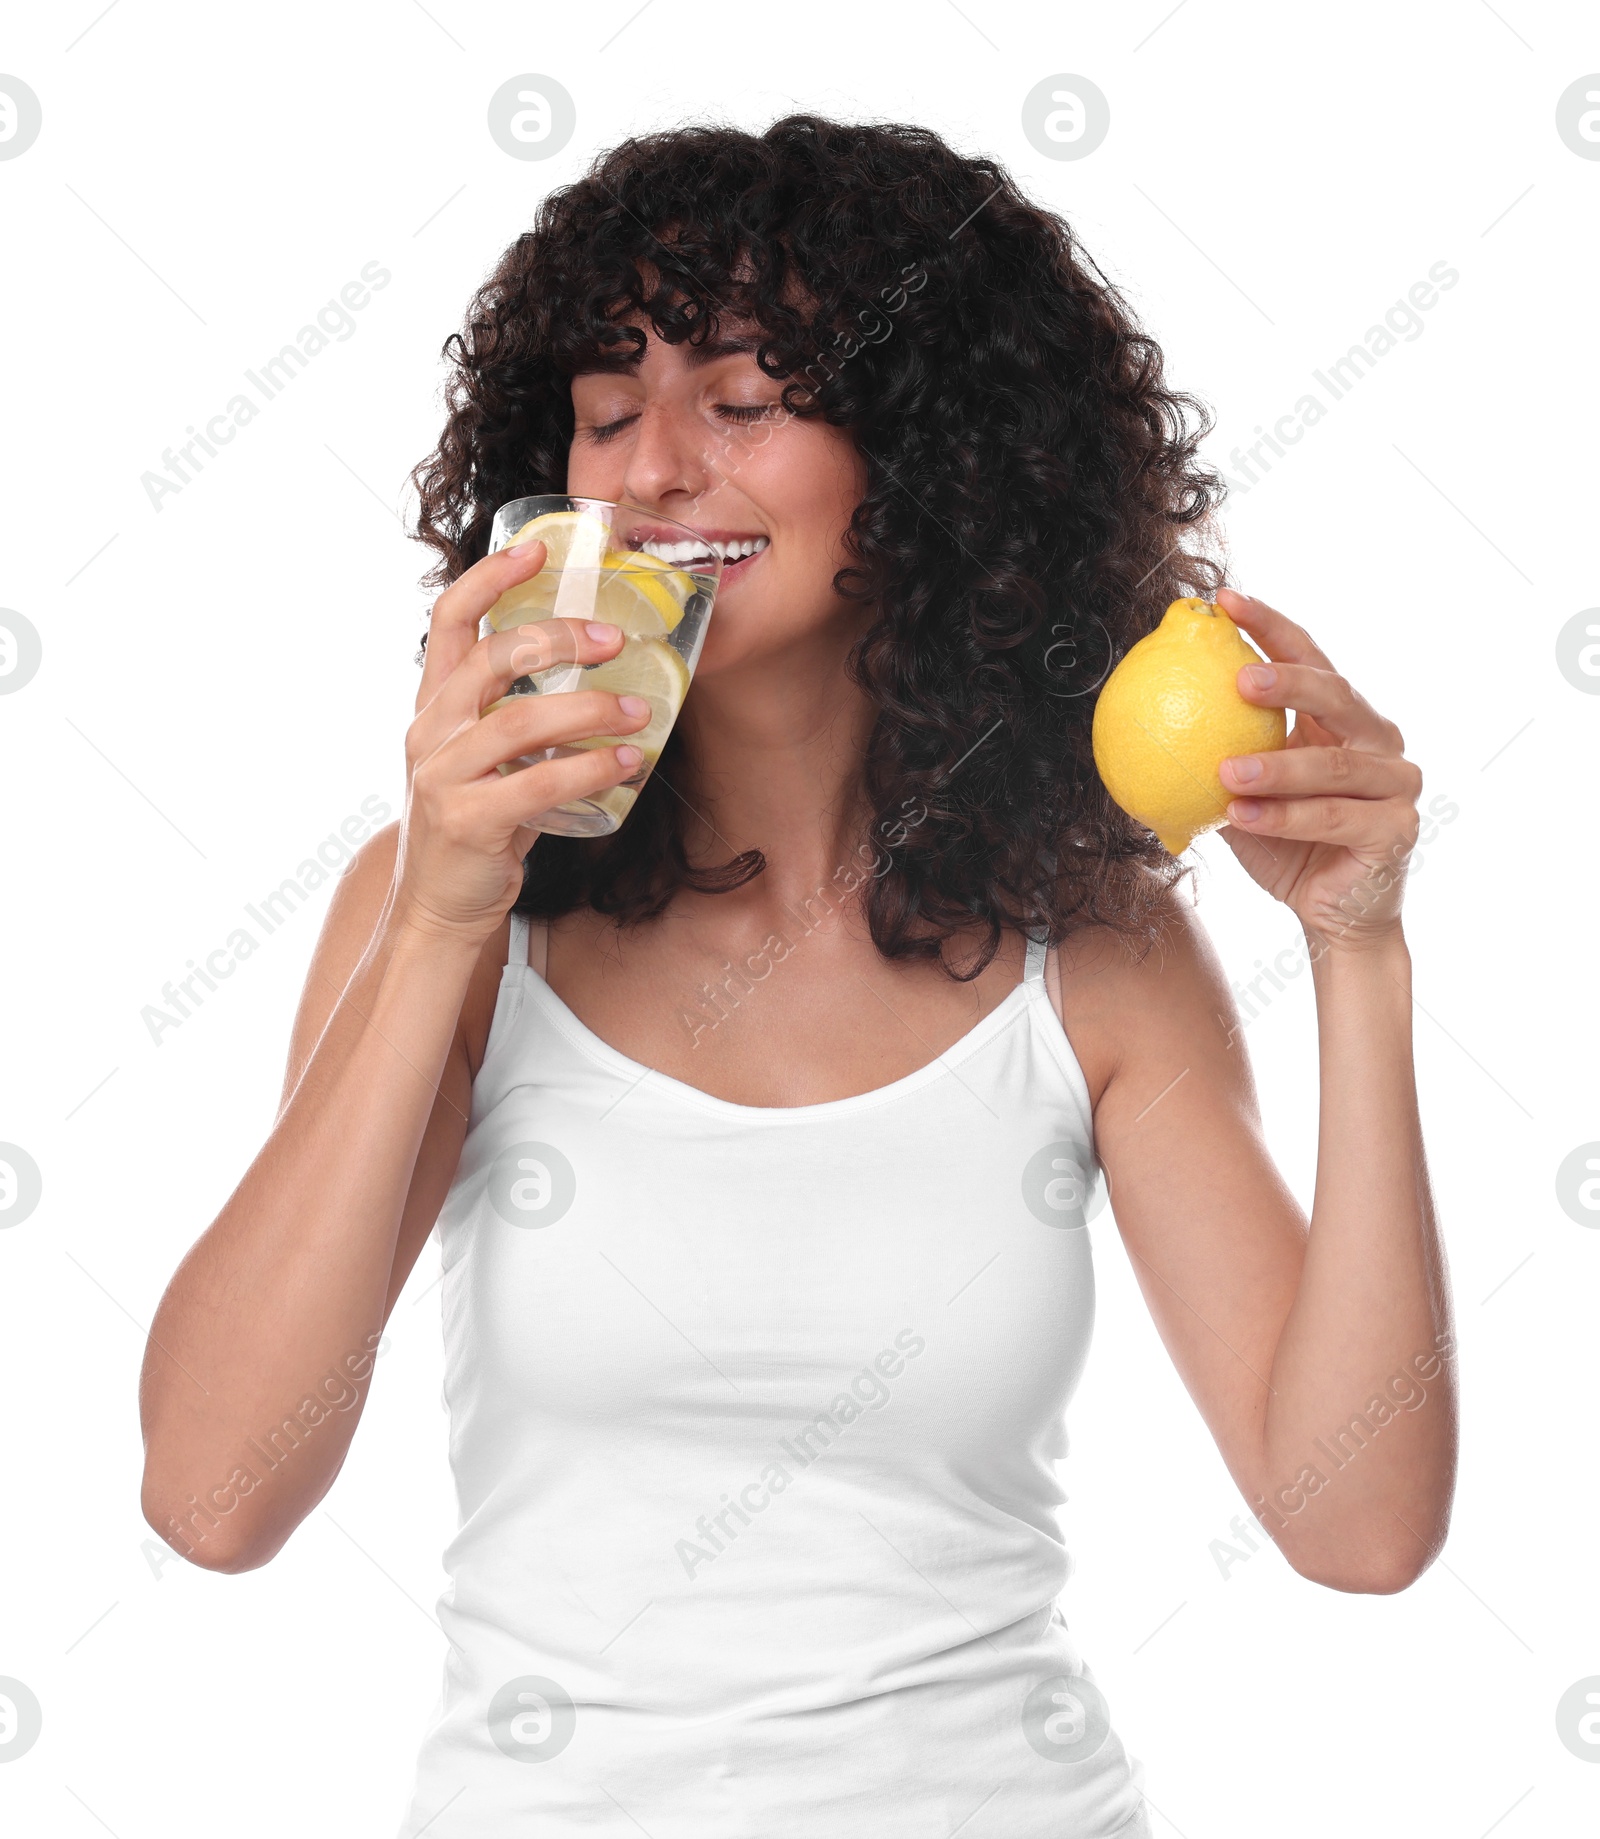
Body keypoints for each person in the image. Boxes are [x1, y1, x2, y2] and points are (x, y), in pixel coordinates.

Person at [138, 115, 1457, 1837]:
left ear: (930, 458)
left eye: (743, 403)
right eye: (607, 415)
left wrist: (1358, 950)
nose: (654, 470)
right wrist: (451, 907)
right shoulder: (456, 915)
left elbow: (1356, 1527)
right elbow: (214, 1496)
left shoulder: (1101, 953)